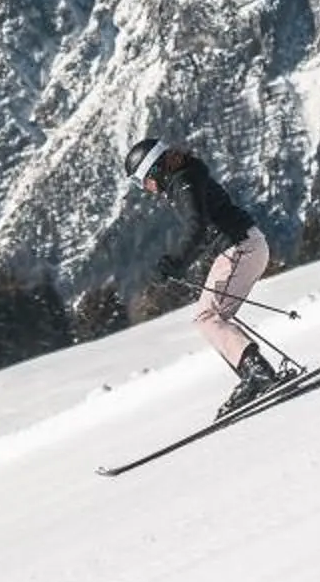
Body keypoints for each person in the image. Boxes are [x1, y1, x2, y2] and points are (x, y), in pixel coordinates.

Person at [123, 136, 298, 415]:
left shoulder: (183, 182)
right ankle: (251, 375)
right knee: (212, 317)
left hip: (240, 247)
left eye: (140, 180)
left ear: (153, 169)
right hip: (244, 246)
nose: (143, 188)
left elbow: (198, 227)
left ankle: (258, 373)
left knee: (208, 317)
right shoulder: (183, 178)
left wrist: (176, 262)